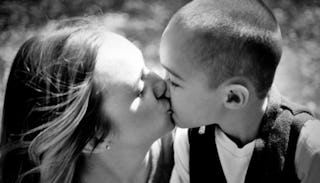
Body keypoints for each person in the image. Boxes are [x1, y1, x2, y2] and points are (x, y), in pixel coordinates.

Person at [159, 0, 320, 182]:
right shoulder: (189, 142)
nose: (161, 86)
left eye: (174, 81)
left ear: (233, 97)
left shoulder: (307, 147)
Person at [0, 17, 174, 183]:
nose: (162, 83)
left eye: (147, 68)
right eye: (140, 91)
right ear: (93, 138)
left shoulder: (194, 150)